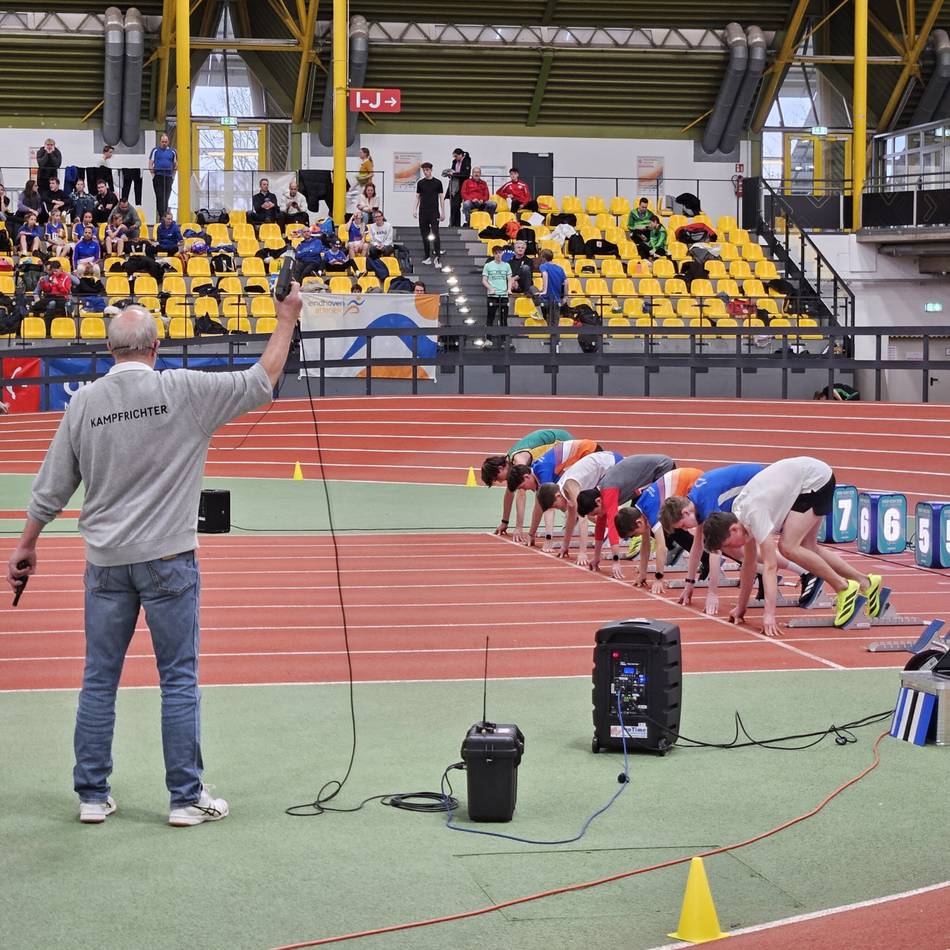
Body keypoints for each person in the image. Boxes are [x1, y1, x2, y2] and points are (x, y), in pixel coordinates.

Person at [6, 287, 303, 826]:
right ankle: (185, 798)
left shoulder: (84, 402)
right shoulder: (184, 390)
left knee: (99, 678)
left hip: (105, 561)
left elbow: (51, 487)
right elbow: (263, 379)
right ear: (155, 345)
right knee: (179, 679)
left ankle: (92, 796)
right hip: (169, 559)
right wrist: (285, 318)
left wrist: (27, 542)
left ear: (109, 349)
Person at [701, 457, 883, 636]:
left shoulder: (755, 514)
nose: (730, 550)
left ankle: (843, 587)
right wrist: (741, 608)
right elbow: (748, 566)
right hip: (809, 477)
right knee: (808, 548)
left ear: (733, 530)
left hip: (815, 480)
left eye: (727, 545)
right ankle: (865, 582)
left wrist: (769, 615)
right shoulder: (739, 515)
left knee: (788, 547)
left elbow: (770, 567)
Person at [659, 463, 816, 616]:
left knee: (732, 545)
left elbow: (715, 552)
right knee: (737, 547)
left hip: (767, 488)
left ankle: (807, 572)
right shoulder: (696, 501)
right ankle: (792, 572)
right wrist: (689, 583)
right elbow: (697, 546)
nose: (685, 529)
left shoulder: (706, 504)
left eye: (683, 525)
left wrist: (713, 593)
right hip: (754, 487)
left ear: (685, 513)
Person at [574, 455, 677, 577]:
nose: (598, 516)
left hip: (663, 469)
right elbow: (600, 527)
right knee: (639, 519)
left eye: (596, 513)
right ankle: (670, 545)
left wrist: (616, 561)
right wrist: (596, 557)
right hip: (649, 477)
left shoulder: (608, 491)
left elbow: (612, 525)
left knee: (647, 518)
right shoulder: (602, 493)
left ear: (598, 501)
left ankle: (673, 544)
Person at [613, 468, 705, 592]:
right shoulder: (640, 508)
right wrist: (642, 574)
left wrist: (658, 578)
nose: (636, 537)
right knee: (669, 527)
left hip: (694, 481)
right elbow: (645, 544)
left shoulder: (651, 513)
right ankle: (705, 556)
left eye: (634, 534)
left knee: (698, 523)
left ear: (638, 523)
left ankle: (711, 558)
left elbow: (661, 547)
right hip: (686, 478)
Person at [506, 438, 604, 549]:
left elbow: (549, 509)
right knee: (569, 501)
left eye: (523, 487)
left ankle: (609, 526)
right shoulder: (537, 472)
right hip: (585, 451)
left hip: (589, 451)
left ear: (526, 477)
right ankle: (582, 523)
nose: (526, 490)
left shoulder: (544, 473)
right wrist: (531, 534)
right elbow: (539, 507)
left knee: (583, 503)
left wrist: (549, 538)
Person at [481, 428, 573, 541]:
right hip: (555, 445)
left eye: (496, 478)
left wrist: (519, 528)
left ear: (501, 468)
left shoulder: (519, 461)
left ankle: (575, 515)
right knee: (545, 491)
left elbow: (521, 494)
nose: (499, 482)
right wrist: (504, 522)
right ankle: (573, 515)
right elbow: (509, 494)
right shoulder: (510, 462)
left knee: (548, 493)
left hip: (562, 441)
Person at [536, 450, 625, 566]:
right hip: (603, 466)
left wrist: (583, 552)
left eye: (555, 506)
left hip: (613, 464)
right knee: (597, 511)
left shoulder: (570, 485)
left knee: (605, 509)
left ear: (557, 496)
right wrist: (565, 546)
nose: (558, 509)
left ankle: (625, 532)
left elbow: (582, 519)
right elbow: (571, 518)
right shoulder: (564, 488)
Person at [481, 244, 513, 348]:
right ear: (493, 254)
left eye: (500, 252)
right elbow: (484, 280)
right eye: (496, 253)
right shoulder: (488, 265)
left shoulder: (507, 265)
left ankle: (504, 340)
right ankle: (488, 339)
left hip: (503, 295)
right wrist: (490, 288)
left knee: (504, 318)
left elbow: (509, 279)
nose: (499, 255)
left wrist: (509, 289)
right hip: (492, 295)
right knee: (490, 317)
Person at [414, 162, 444, 268]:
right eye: (424, 170)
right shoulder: (420, 183)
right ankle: (427, 256)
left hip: (434, 212)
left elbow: (441, 198)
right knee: (424, 235)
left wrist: (443, 212)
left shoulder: (438, 183)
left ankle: (437, 256)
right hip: (423, 212)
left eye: (427, 170)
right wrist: (415, 209)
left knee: (435, 233)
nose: (426, 172)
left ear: (431, 170)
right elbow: (418, 197)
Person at [30, 259, 72, 332]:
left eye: (56, 271)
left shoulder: (66, 277)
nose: (54, 273)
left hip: (62, 298)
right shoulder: (52, 277)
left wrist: (57, 284)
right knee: (45, 303)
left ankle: (48, 328)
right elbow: (48, 290)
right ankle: (44, 327)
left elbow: (66, 291)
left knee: (51, 302)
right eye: (53, 271)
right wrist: (42, 283)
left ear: (60, 269)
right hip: (51, 296)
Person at [149, 132, 178, 218]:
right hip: (158, 176)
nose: (164, 143)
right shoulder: (155, 150)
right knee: (159, 196)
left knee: (166, 197)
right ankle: (161, 215)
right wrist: (153, 175)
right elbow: (150, 163)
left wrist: (173, 176)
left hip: (168, 177)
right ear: (160, 141)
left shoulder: (173, 151)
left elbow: (176, 165)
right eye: (162, 141)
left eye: (165, 141)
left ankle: (165, 214)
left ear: (168, 142)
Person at [443, 147, 471, 227]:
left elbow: (466, 174)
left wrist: (454, 174)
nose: (455, 158)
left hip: (462, 185)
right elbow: (452, 171)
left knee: (457, 206)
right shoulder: (454, 161)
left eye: (456, 156)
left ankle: (455, 224)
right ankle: (454, 224)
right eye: (454, 156)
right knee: (454, 206)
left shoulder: (467, 161)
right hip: (454, 185)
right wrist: (449, 174)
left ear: (461, 155)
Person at [538, 249, 566, 325]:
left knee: (532, 289)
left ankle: (538, 313)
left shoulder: (543, 266)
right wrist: (564, 297)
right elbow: (565, 283)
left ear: (543, 258)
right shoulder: (560, 268)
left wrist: (544, 290)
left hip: (547, 299)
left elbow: (545, 274)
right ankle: (555, 336)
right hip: (557, 299)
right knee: (555, 325)